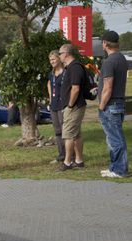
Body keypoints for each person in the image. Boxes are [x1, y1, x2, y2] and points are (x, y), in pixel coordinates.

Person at [98, 30, 129, 178]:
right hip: (118, 102)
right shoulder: (121, 58)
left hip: (110, 104)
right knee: (113, 138)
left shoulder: (109, 61)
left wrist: (101, 106)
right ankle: (114, 167)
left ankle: (119, 170)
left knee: (115, 139)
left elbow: (108, 87)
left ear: (105, 43)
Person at [57, 43, 86, 171]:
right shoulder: (71, 67)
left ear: (67, 53)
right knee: (76, 135)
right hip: (75, 106)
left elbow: (75, 88)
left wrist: (69, 105)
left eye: (60, 53)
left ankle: (67, 162)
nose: (59, 56)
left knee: (68, 135)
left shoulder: (74, 67)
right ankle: (79, 161)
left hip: (74, 107)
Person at [47, 50, 65, 163]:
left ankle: (70, 155)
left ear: (59, 58)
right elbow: (49, 83)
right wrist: (50, 97)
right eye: (50, 60)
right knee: (57, 131)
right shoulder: (51, 73)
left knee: (65, 131)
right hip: (54, 105)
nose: (52, 61)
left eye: (54, 59)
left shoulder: (65, 72)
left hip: (63, 105)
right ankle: (61, 154)